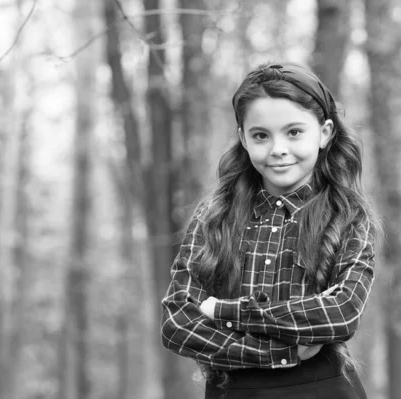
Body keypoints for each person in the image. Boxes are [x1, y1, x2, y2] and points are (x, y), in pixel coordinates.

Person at [161, 62, 380, 399]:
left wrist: (224, 311)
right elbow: (177, 321)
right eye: (261, 135)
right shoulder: (214, 215)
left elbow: (341, 314)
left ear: (324, 133)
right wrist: (279, 353)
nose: (277, 148)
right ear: (243, 140)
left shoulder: (348, 214)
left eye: (294, 132)